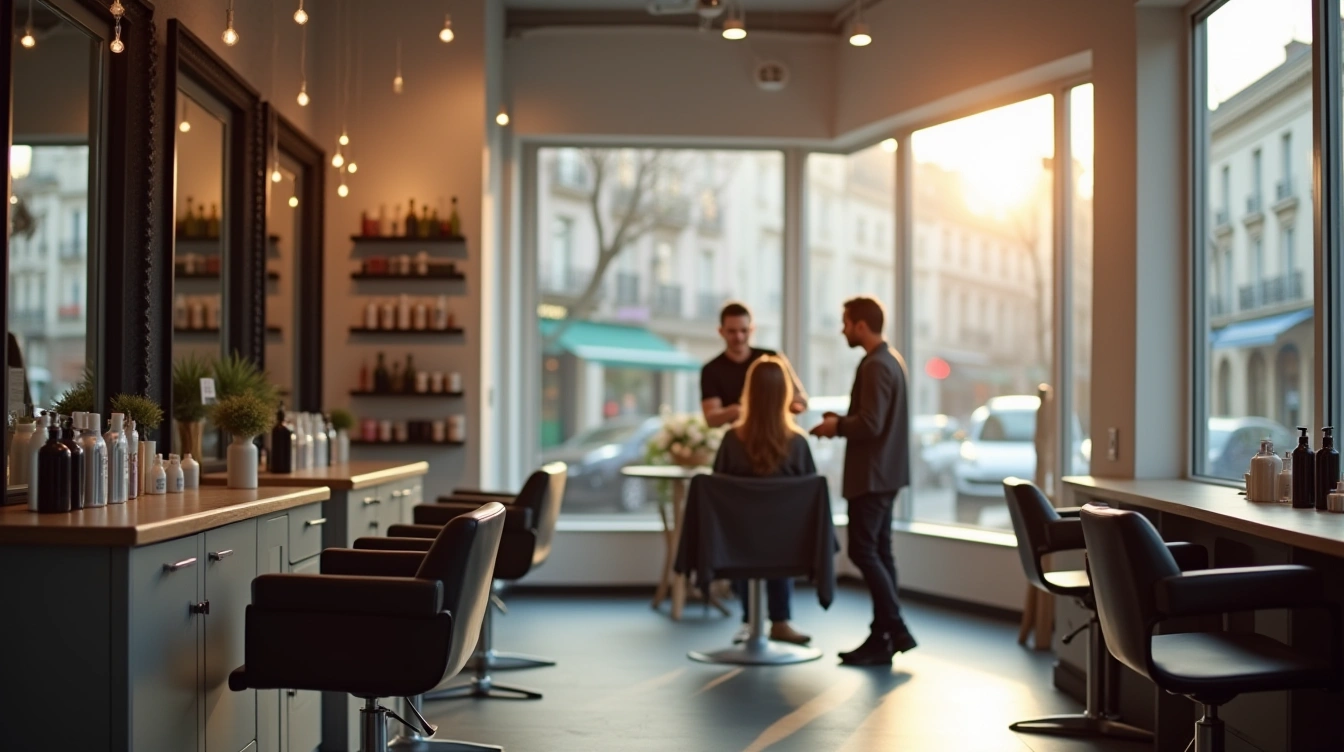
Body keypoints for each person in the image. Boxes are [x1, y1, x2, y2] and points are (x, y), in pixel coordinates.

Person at [810, 296, 917, 665]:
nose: (842, 330)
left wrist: (835, 426)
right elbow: (875, 417)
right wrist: (840, 420)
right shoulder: (891, 360)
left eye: (846, 323)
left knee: (863, 551)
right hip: (886, 473)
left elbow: (870, 423)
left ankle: (896, 629)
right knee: (880, 552)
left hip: (872, 476)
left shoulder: (875, 365)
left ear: (860, 325)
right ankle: (883, 636)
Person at [712, 354, 815, 645]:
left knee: (749, 535)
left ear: (749, 392)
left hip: (737, 544)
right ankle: (780, 622)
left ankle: (750, 621)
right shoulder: (798, 444)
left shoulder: (732, 440)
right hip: (786, 544)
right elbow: (811, 499)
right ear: (785, 393)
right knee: (776, 535)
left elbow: (716, 494)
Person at [701, 302, 807, 429]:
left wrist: (791, 406)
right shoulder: (711, 370)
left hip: (779, 432)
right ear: (721, 331)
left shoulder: (772, 358)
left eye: (744, 330)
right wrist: (740, 410)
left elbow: (801, 400)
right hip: (740, 437)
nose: (739, 337)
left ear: (752, 330)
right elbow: (711, 419)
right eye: (732, 331)